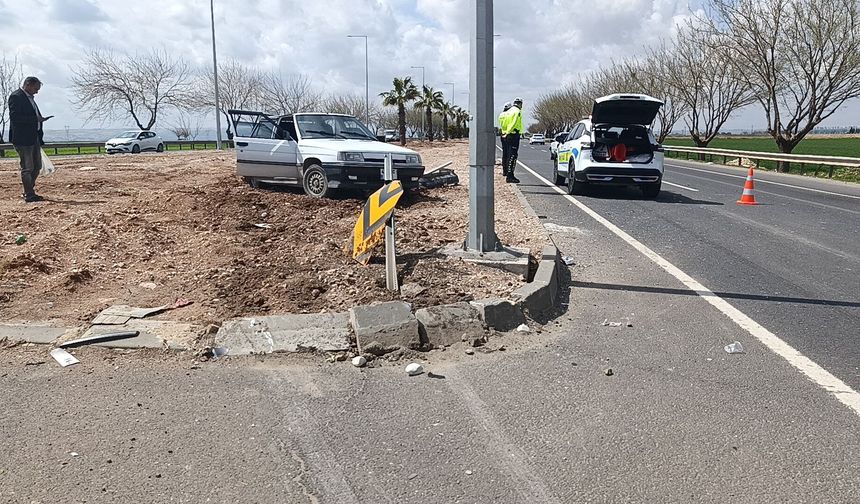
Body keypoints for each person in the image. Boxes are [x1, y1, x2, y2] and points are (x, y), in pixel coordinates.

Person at [8, 76, 52, 202]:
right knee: (27, 167)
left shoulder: (30, 98)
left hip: (34, 137)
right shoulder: (16, 97)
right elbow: (15, 117)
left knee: (37, 166)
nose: (37, 92)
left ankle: (29, 190)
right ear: (28, 84)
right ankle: (29, 193)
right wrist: (35, 119)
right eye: (36, 88)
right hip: (23, 138)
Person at [499, 97, 524, 183]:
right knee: (513, 156)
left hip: (506, 134)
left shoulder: (507, 112)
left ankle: (506, 172)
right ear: (520, 104)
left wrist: (505, 132)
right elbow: (513, 122)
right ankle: (510, 176)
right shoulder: (517, 111)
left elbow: (504, 123)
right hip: (513, 134)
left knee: (506, 154)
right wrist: (509, 132)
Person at [498, 102, 512, 177]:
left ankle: (504, 171)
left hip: (503, 134)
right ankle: (508, 171)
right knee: (509, 154)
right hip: (508, 134)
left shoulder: (501, 115)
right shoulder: (509, 114)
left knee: (504, 154)